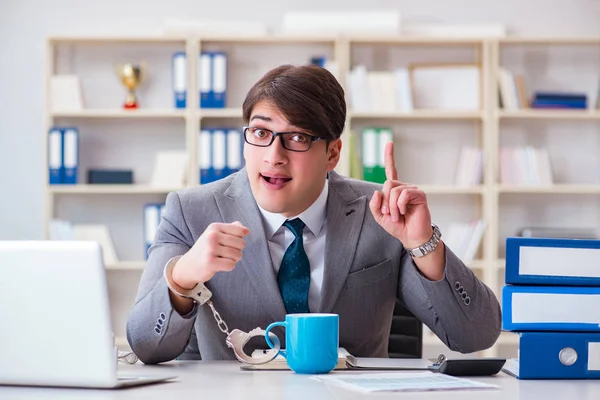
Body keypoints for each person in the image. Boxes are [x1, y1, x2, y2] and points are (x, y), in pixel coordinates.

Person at [126, 64, 501, 364]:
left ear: (333, 154)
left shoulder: (382, 214)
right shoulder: (191, 211)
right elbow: (146, 345)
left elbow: (475, 336)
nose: (274, 155)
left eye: (298, 138)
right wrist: (183, 275)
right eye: (260, 132)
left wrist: (423, 244)